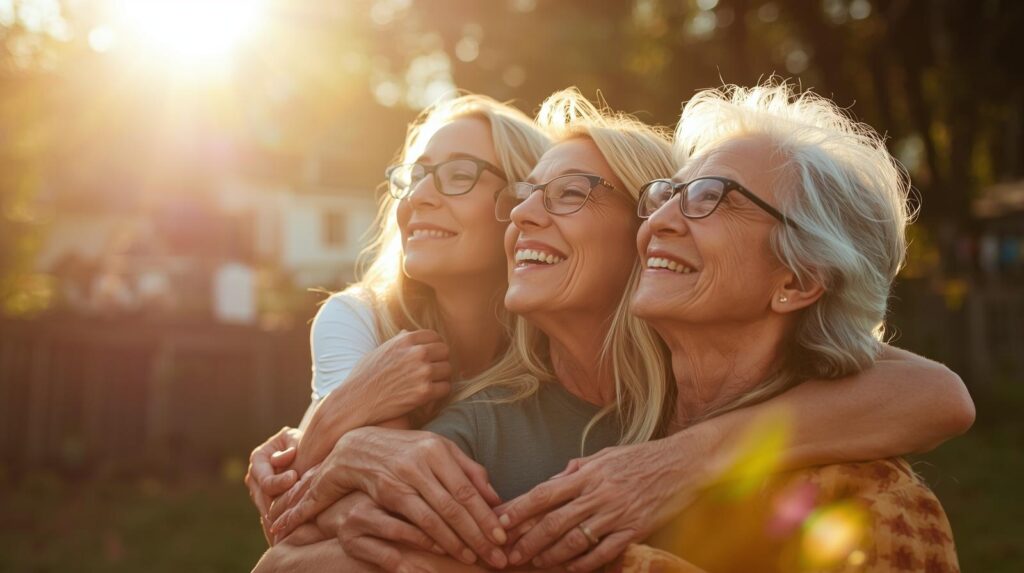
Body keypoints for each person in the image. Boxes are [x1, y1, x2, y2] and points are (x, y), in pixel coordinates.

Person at [257, 88, 972, 572]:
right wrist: (346, 439)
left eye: (709, 198)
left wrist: (685, 459)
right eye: (670, 196)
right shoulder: (487, 413)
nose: (666, 219)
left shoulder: (833, 460)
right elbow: (289, 558)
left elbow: (939, 394)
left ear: (796, 281)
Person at [245, 93, 551, 568]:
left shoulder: (563, 338)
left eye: (459, 175)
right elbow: (374, 512)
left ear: (524, 202)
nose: (420, 196)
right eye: (417, 176)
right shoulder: (358, 317)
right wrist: (352, 403)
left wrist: (321, 433)